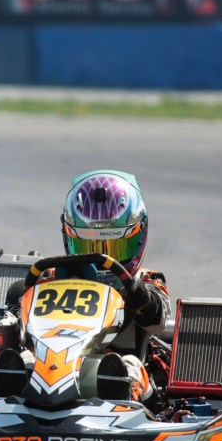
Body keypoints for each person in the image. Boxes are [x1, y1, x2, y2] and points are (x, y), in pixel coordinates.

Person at [56, 169, 170, 403]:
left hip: (121, 369)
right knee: (25, 360)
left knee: (127, 367)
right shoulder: (53, 277)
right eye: (88, 247)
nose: (101, 259)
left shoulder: (146, 281)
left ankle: (120, 402)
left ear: (138, 235)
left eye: (114, 248)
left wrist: (138, 295)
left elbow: (157, 320)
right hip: (57, 365)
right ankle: (9, 395)